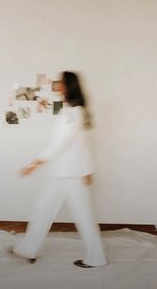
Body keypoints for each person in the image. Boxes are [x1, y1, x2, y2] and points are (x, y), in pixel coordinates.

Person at [12, 71, 107, 268]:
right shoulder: (69, 110)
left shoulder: (75, 112)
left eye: (60, 82)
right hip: (61, 173)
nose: (56, 84)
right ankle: (27, 249)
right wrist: (43, 105)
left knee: (84, 217)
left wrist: (35, 163)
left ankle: (96, 258)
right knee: (42, 211)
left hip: (72, 175)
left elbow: (61, 142)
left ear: (68, 85)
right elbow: (71, 133)